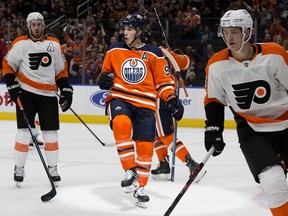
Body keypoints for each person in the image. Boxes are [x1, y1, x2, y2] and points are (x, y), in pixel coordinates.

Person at [204, 9, 288, 216]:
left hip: (287, 124)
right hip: (252, 129)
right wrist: (214, 130)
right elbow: (214, 100)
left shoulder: (275, 55)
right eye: (225, 31)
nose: (229, 37)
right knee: (273, 180)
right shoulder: (216, 64)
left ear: (248, 32)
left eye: (235, 31)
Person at [97, 14, 183, 207]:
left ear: (140, 31)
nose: (125, 32)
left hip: (145, 103)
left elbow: (163, 83)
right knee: (121, 123)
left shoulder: (154, 53)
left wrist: (171, 99)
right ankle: (130, 170)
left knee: (145, 147)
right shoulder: (114, 49)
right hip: (120, 97)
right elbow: (105, 73)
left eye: (129, 29)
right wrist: (103, 79)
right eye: (124, 29)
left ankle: (141, 186)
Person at [2, 12, 73, 187]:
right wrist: (12, 85)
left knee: (50, 135)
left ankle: (53, 167)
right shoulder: (20, 43)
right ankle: (19, 167)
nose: (36, 27)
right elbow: (8, 66)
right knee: (24, 133)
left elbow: (60, 71)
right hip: (26, 94)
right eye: (33, 24)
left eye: (39, 24)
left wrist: (65, 89)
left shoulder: (53, 44)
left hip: (48, 96)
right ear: (28, 26)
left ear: (43, 25)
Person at [151, 48, 207, 183]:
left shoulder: (155, 54)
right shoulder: (167, 55)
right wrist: (174, 55)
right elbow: (186, 62)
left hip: (159, 98)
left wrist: (172, 54)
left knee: (166, 136)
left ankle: (192, 164)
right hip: (164, 97)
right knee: (156, 135)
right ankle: (163, 165)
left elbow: (187, 62)